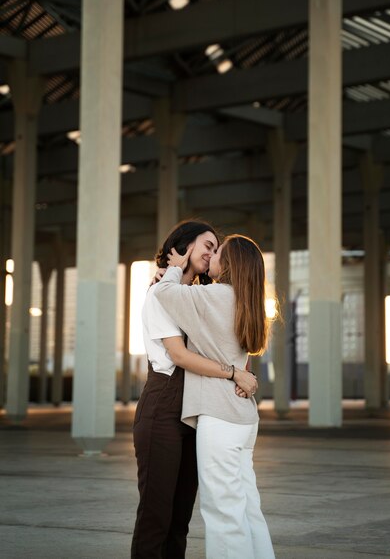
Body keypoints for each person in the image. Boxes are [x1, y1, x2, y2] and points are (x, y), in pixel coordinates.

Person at [131, 221, 258, 559]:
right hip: (163, 404)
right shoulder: (161, 293)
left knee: (180, 518)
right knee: (156, 514)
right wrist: (234, 374)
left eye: (216, 249)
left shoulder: (199, 298)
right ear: (183, 247)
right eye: (208, 245)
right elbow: (178, 355)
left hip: (195, 408)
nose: (213, 253)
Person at [153, 234, 276, 559]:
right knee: (249, 509)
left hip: (218, 418)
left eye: (217, 251)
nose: (212, 255)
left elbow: (163, 293)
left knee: (223, 512)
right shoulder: (247, 302)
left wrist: (175, 267)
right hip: (243, 418)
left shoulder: (212, 297)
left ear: (229, 262)